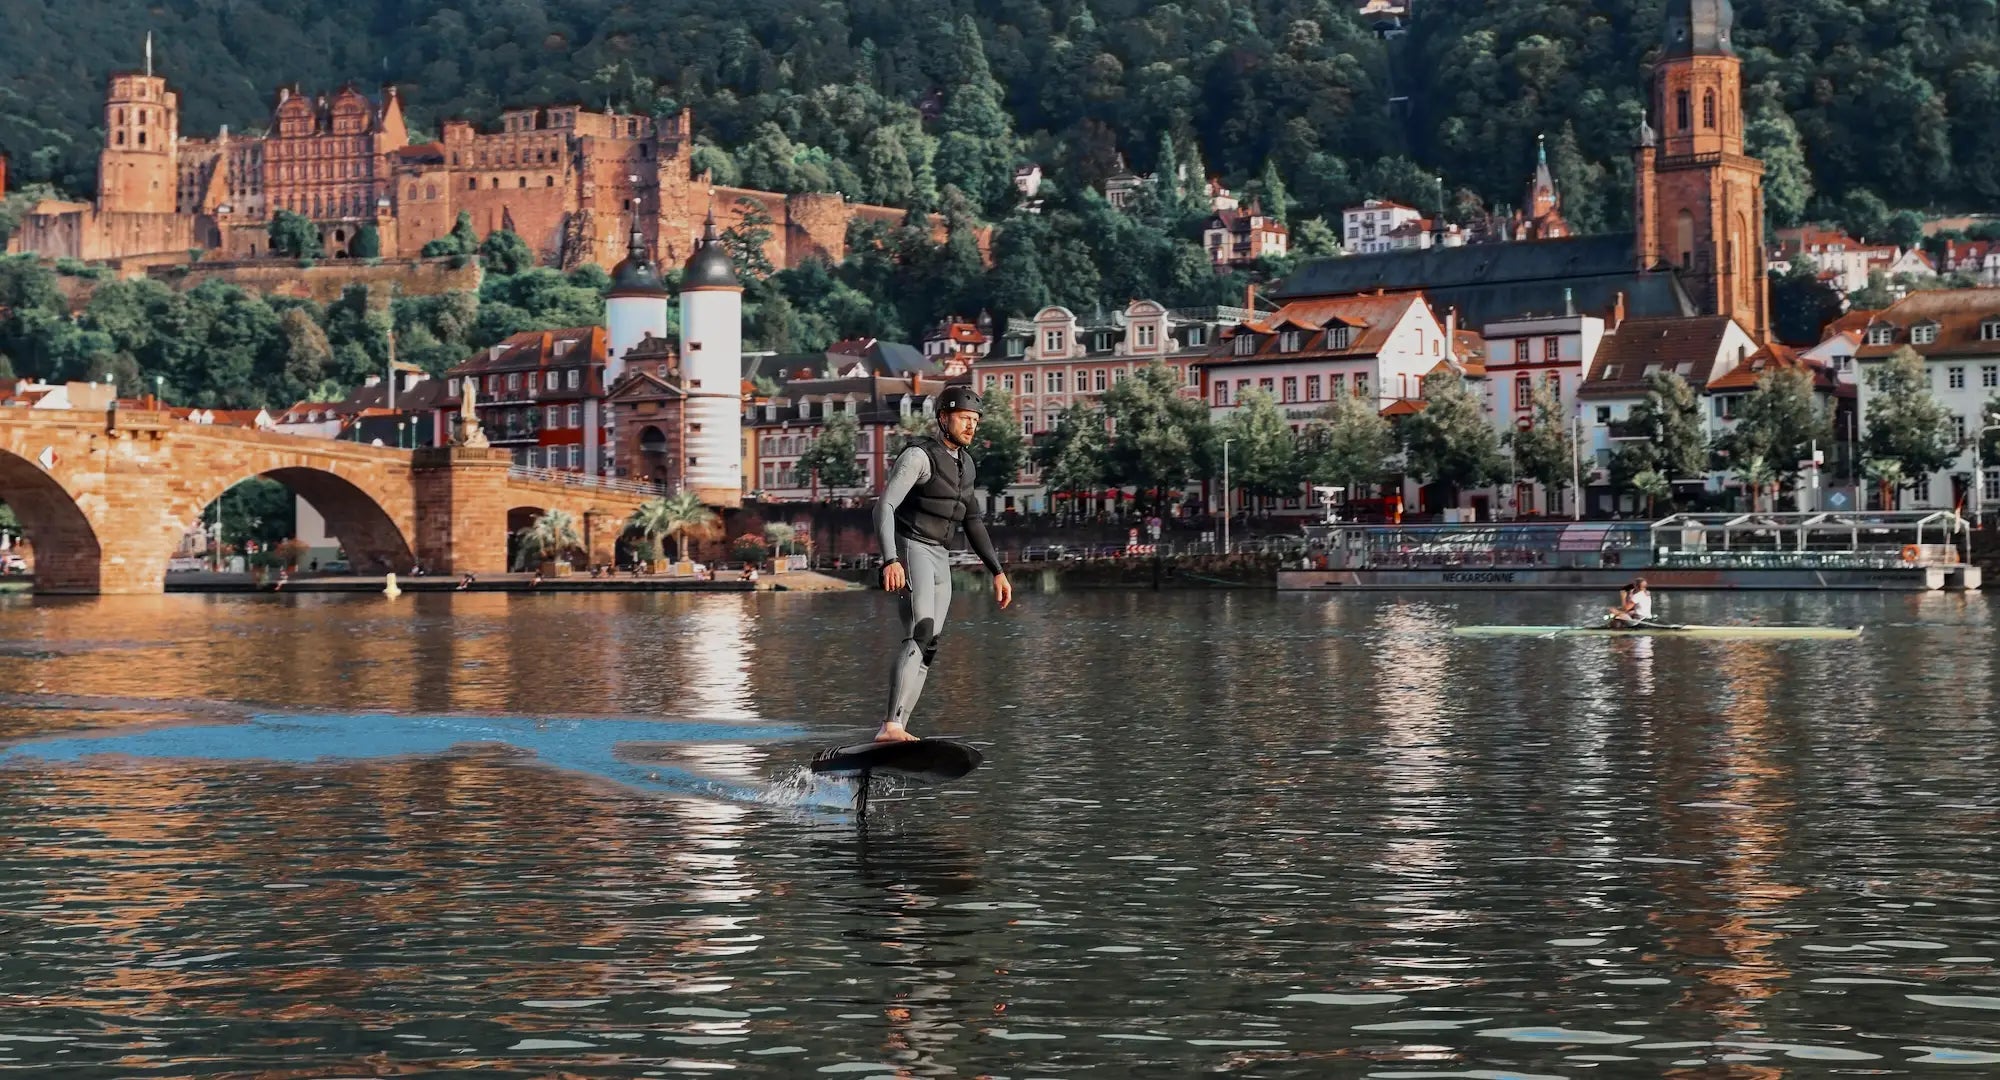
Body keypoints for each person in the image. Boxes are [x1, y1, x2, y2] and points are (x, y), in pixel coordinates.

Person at [873, 385, 1012, 743]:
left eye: (976, 421)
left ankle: (899, 726)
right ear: (943, 418)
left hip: (940, 556)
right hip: (911, 546)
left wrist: (997, 570)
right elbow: (884, 507)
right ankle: (890, 726)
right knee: (920, 630)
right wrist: (890, 559)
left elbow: (973, 521)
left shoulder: (966, 466)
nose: (971, 426)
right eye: (965, 418)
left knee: (930, 642)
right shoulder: (919, 457)